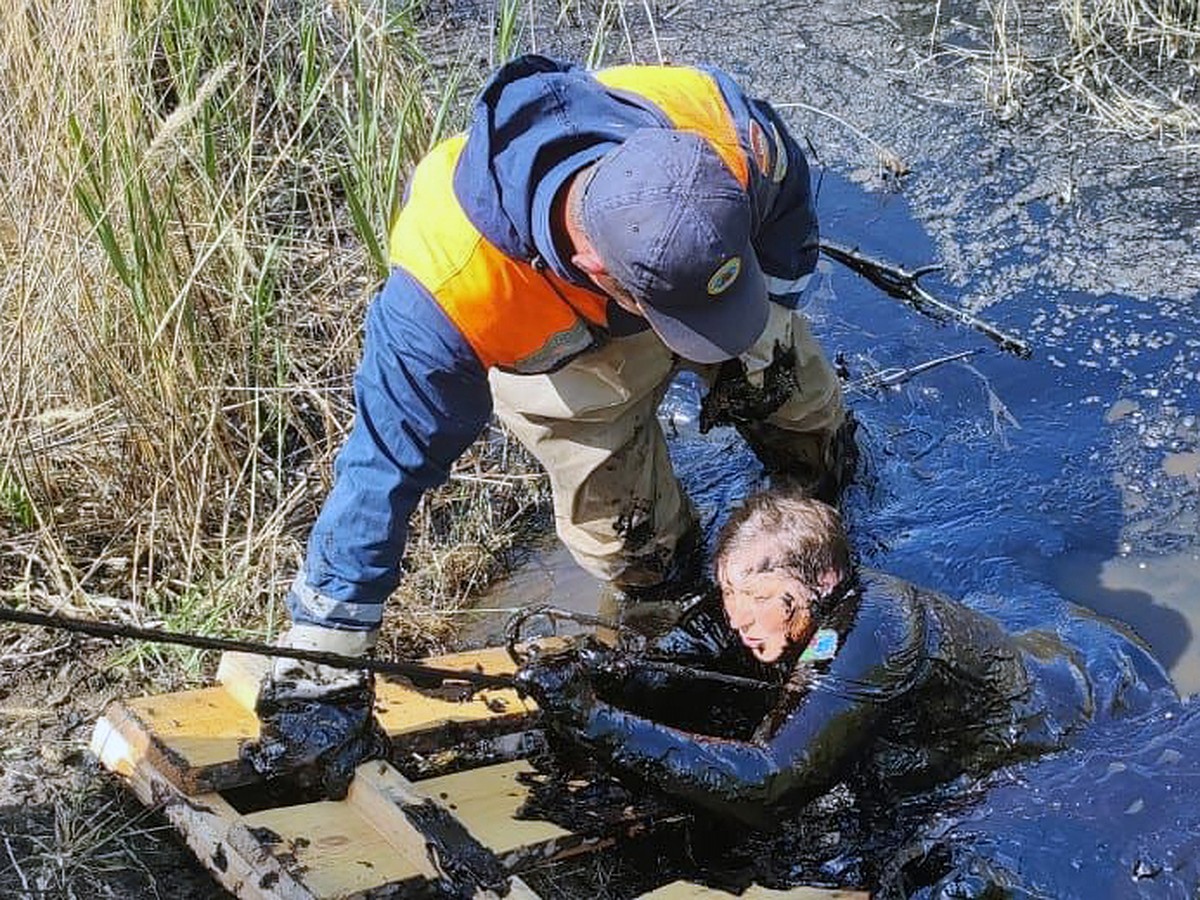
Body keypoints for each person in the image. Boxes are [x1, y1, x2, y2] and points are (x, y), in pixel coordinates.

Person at [241, 55, 854, 795]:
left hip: (717, 274)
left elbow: (785, 214)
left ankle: (819, 498)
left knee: (797, 400)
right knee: (634, 544)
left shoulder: (720, 131)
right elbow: (382, 471)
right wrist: (322, 663)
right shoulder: (450, 286)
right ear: (596, 265)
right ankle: (687, 623)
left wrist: (768, 317)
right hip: (564, 357)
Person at [515, 492, 1177, 831]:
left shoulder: (875, 638)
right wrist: (614, 674)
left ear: (824, 581)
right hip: (1046, 649)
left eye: (757, 600)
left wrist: (592, 720)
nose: (739, 617)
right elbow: (699, 648)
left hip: (1075, 722)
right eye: (728, 595)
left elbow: (767, 787)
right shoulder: (797, 602)